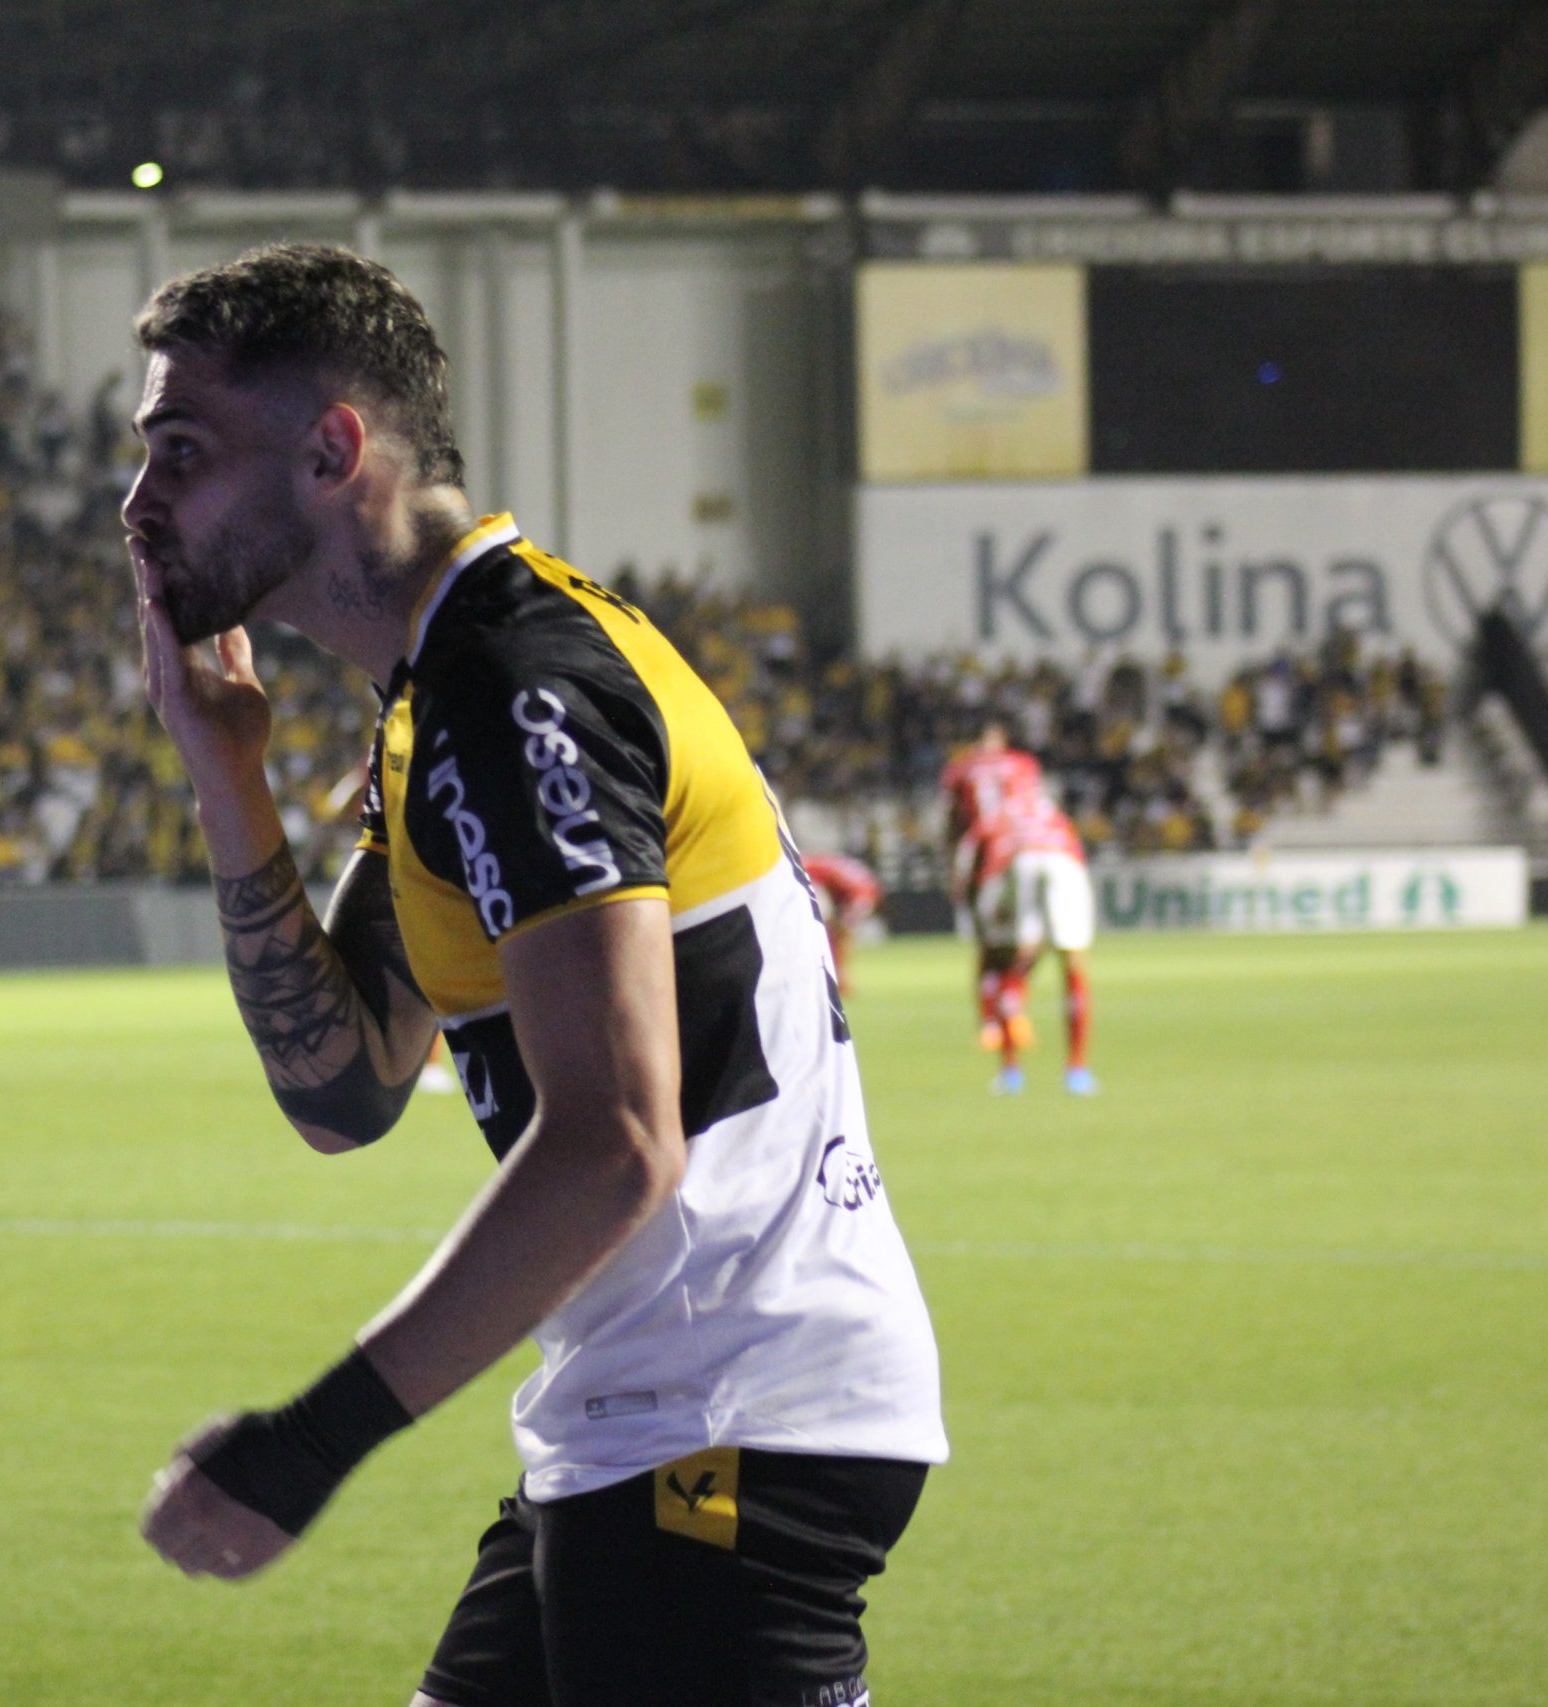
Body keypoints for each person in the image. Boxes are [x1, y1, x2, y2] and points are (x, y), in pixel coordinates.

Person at [122, 243, 945, 1707]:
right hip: (647, 1419)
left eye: (182, 452)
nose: (141, 505)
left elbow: (618, 1141)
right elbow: (348, 1081)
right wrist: (227, 779)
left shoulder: (516, 687)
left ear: (332, 451)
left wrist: (304, 1445)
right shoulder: (444, 697)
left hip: (728, 1427)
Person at [966, 787, 1097, 1096]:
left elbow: (972, 855)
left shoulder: (999, 813)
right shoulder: (1052, 812)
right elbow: (1076, 850)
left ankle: (1011, 1071)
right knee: (1073, 962)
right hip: (1065, 864)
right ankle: (1077, 1070)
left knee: (1016, 960)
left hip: (1020, 862)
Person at [939, 721, 1043, 1051]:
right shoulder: (1023, 764)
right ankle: (1012, 1007)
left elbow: (952, 821)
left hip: (980, 858)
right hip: (1018, 854)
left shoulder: (961, 769)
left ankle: (989, 1022)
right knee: (1028, 942)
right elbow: (1034, 808)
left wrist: (954, 866)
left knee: (990, 945)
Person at [800, 849, 882, 989]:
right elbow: (845, 925)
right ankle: (833, 978)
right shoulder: (864, 895)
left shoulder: (864, 889)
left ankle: (834, 977)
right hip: (808, 875)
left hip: (810, 873)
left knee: (835, 933)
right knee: (829, 932)